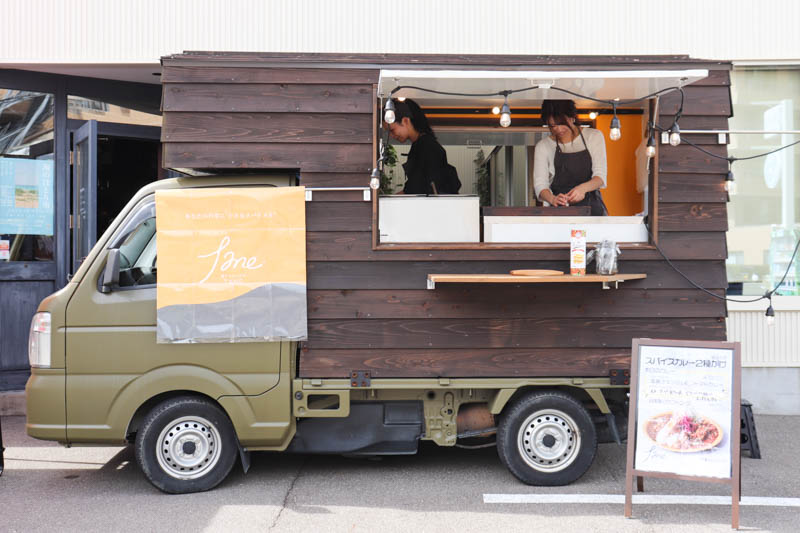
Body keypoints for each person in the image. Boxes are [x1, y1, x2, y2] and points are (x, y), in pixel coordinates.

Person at [533, 99, 608, 215]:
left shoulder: (594, 136)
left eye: (561, 123)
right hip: (560, 211)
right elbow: (540, 185)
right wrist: (552, 199)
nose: (557, 129)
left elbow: (600, 177)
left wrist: (582, 189)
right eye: (552, 126)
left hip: (593, 211)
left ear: (572, 117)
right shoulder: (543, 146)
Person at [386, 98, 459, 195]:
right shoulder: (425, 144)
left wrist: (390, 201)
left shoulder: (426, 146)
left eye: (392, 130)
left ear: (405, 121)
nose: (391, 136)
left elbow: (416, 187)